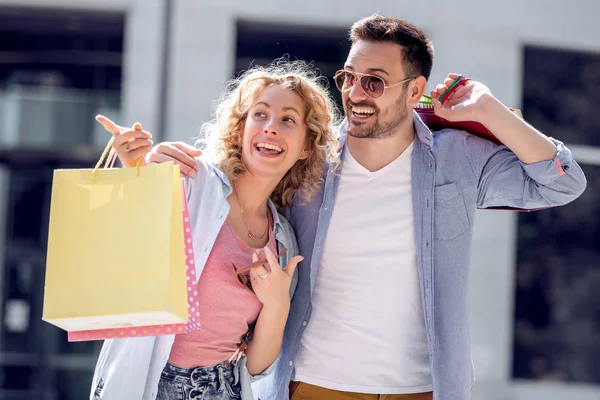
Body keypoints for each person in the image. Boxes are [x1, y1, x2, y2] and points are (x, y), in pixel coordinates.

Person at [141, 14, 587, 400]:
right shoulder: (310, 158)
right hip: (314, 383)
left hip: (423, 387)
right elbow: (237, 174)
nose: (355, 93)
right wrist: (159, 166)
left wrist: (490, 110)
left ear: (415, 90)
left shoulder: (458, 158)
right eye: (348, 77)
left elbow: (559, 184)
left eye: (373, 81)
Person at [88, 60, 340, 400]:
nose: (271, 128)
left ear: (306, 147)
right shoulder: (194, 181)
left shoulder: (282, 239)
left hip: (221, 389)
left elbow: (256, 366)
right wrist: (135, 169)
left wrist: (277, 305)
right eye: (260, 115)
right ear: (240, 128)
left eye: (288, 120)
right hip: (146, 382)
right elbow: (129, 244)